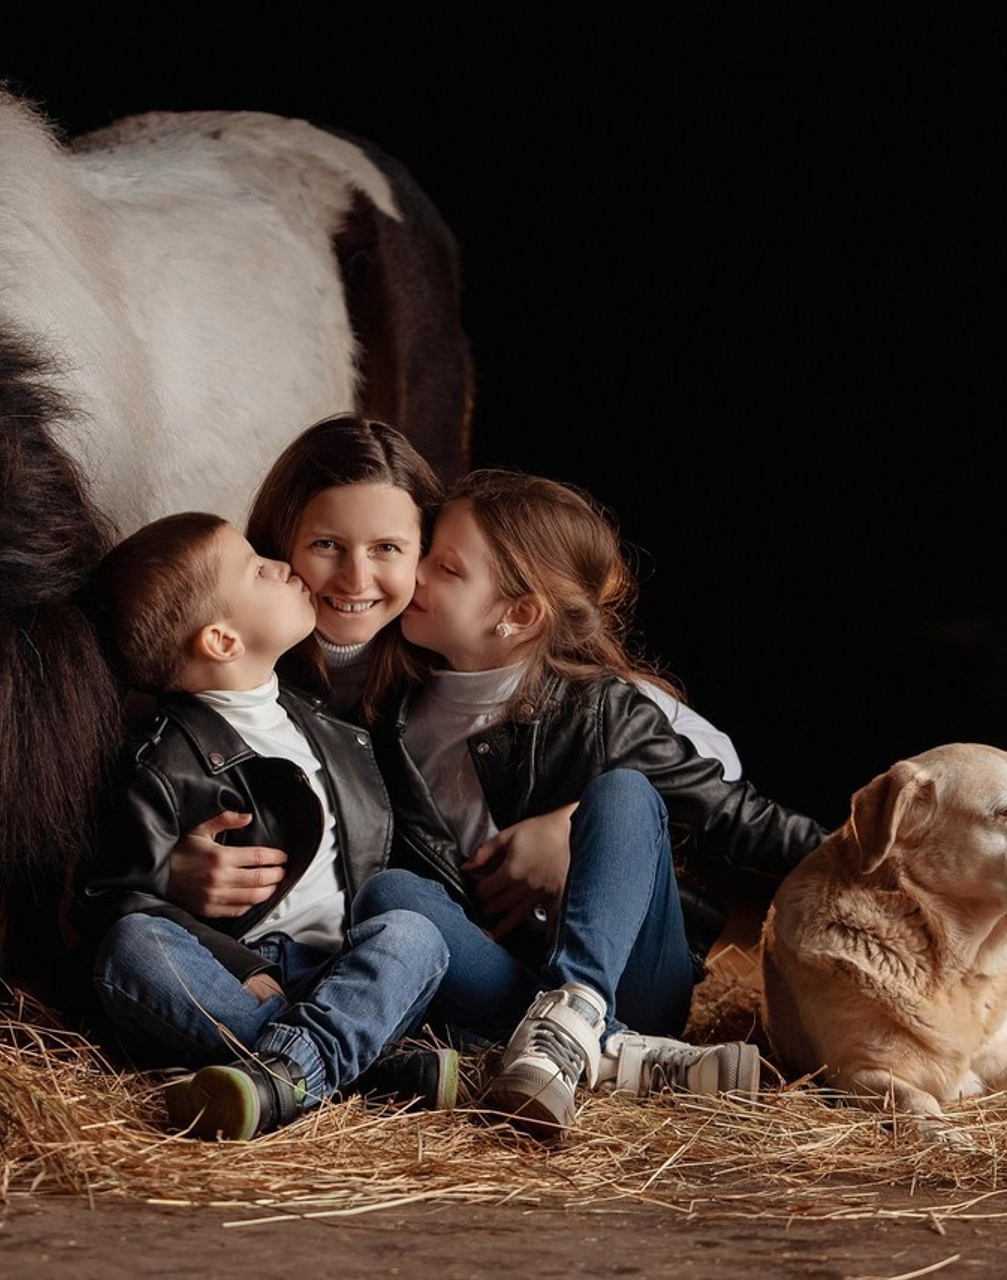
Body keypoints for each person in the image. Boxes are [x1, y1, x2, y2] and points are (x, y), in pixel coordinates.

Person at [352, 468, 833, 1138]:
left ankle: (577, 1015)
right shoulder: (395, 715)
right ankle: (608, 1055)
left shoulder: (602, 709)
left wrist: (891, 863)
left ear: (517, 614)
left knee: (624, 793)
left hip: (635, 980)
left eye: (446, 567)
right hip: (505, 982)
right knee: (389, 896)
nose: (416, 575)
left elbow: (740, 819)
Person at [171, 415, 743, 959]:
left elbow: (708, 763)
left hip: (475, 945)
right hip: (338, 949)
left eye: (388, 548)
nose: (356, 579)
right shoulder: (232, 661)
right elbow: (149, 789)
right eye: (326, 545)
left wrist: (577, 825)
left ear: (423, 552)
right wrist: (167, 868)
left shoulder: (448, 655)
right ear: (281, 541)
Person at [72, 511, 456, 1141]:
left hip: (341, 971)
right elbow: (109, 900)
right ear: (222, 641)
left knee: (413, 934)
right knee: (133, 946)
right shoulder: (159, 761)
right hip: (236, 979)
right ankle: (349, 1069)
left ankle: (282, 1074)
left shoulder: (331, 727)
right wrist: (234, 960)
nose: (282, 566)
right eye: (258, 568)